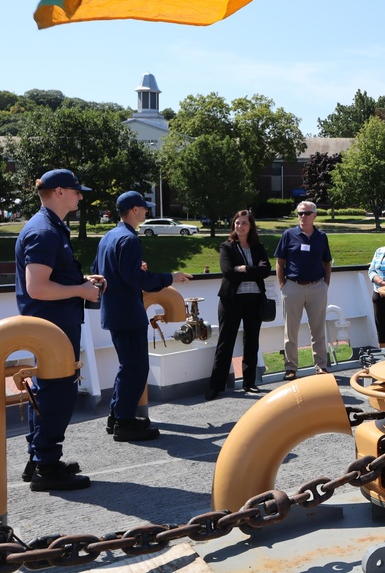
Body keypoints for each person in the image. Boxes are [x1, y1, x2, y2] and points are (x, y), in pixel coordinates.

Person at [15, 169, 101, 491]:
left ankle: (38, 459)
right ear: (60, 191)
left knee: (48, 394)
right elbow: (37, 287)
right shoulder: (44, 231)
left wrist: (81, 284)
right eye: (77, 191)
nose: (80, 196)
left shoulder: (50, 227)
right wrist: (80, 291)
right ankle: (47, 467)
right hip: (52, 330)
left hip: (54, 327)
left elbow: (50, 281)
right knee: (59, 393)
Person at [94, 191, 191, 442]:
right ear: (134, 210)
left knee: (128, 366)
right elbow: (136, 280)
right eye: (144, 208)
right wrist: (170, 277)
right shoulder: (128, 239)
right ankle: (124, 423)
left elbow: (98, 271)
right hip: (127, 313)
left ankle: (117, 416)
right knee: (136, 368)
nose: (147, 212)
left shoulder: (109, 237)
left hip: (114, 312)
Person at [207, 210, 271, 401]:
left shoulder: (257, 247)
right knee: (225, 342)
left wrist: (244, 269)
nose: (240, 226)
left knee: (251, 342)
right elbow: (228, 272)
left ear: (250, 226)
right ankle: (216, 386)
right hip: (231, 300)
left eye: (244, 223)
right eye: (237, 223)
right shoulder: (226, 247)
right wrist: (252, 271)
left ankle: (249, 383)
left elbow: (266, 270)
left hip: (254, 299)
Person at [275, 201, 332, 380]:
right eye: (300, 213)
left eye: (306, 213)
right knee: (290, 331)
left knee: (318, 329)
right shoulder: (288, 235)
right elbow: (280, 262)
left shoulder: (321, 237)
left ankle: (321, 366)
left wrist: (325, 284)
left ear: (314, 215)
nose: (302, 216)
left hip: (317, 287)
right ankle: (291, 368)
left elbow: (327, 262)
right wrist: (282, 284)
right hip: (293, 287)